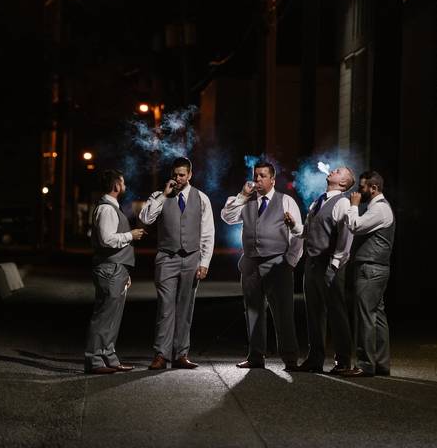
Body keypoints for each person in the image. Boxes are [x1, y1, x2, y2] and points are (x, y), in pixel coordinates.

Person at [221, 161, 303, 370]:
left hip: (277, 264)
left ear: (272, 179)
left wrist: (290, 262)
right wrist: (241, 195)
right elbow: (227, 217)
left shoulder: (286, 201)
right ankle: (256, 356)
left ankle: (290, 358)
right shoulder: (246, 201)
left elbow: (298, 234)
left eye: (263, 176)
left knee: (283, 313)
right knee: (253, 312)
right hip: (250, 264)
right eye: (256, 175)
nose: (257, 179)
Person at [138, 156, 215, 370]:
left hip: (192, 258)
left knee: (185, 307)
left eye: (182, 175)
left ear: (190, 175)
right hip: (166, 257)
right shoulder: (158, 195)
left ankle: (181, 354)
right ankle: (161, 355)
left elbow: (208, 232)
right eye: (175, 174)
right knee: (165, 307)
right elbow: (145, 218)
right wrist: (163, 195)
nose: (178, 178)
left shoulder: (201, 198)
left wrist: (205, 262)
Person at [292, 167, 355, 373]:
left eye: (339, 171)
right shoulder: (318, 201)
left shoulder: (343, 202)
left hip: (329, 265)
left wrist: (334, 266)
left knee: (336, 312)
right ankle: (315, 358)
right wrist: (294, 226)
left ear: (343, 183)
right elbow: (308, 232)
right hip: (312, 263)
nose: (333, 170)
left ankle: (343, 361)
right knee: (314, 312)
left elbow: (346, 238)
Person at [84, 169, 145, 374]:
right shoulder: (107, 209)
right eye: (123, 182)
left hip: (117, 268)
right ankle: (94, 360)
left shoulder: (111, 208)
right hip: (110, 268)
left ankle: (108, 356)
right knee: (104, 316)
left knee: (113, 317)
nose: (125, 186)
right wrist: (130, 235)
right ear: (116, 186)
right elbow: (107, 239)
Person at [337, 170, 395, 378]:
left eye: (362, 187)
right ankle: (381, 363)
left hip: (370, 268)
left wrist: (353, 205)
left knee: (365, 317)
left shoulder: (379, 209)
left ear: (374, 188)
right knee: (377, 316)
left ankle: (365, 364)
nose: (358, 191)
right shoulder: (379, 208)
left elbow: (355, 225)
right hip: (376, 268)